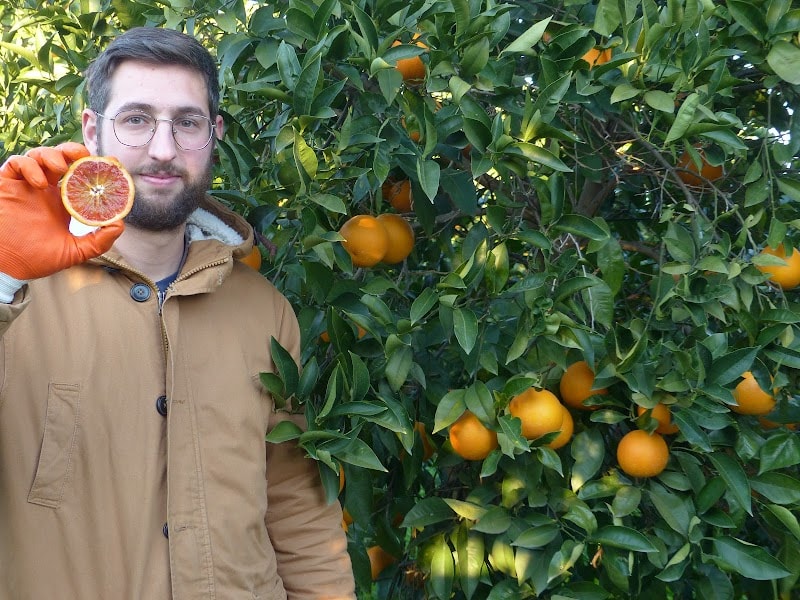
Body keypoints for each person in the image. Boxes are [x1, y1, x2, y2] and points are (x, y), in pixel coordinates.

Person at [0, 27, 355, 599]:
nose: (163, 149)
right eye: (136, 119)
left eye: (187, 122)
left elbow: (296, 508)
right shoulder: (19, 295)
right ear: (92, 131)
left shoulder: (263, 309)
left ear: (214, 135)